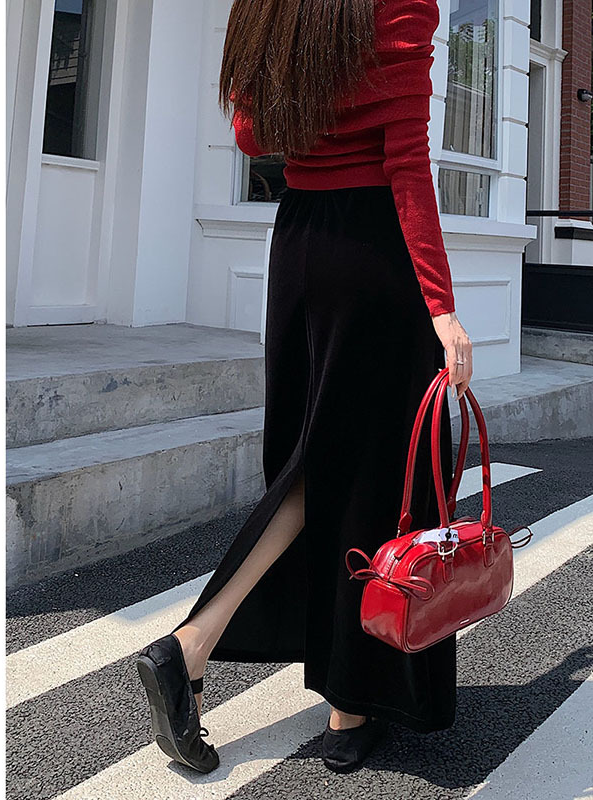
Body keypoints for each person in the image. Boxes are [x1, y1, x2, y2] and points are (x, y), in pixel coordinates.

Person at [136, 0, 473, 775]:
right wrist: (443, 307)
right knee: (369, 473)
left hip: (298, 246)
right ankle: (241, 661)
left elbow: (253, 137)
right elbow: (406, 165)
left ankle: (220, 655)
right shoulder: (402, 7)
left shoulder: (272, 8)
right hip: (371, 252)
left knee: (314, 464)